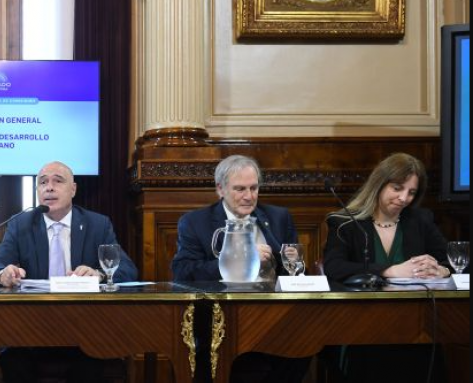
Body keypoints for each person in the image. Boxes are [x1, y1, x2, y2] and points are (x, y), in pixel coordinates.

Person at [0, 161, 138, 383]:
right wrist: (3, 274)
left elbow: (128, 269)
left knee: (90, 364)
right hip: (30, 328)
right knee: (11, 359)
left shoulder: (97, 224)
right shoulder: (21, 224)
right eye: (43, 182)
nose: (49, 188)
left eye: (58, 181)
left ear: (73, 189)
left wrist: (100, 274)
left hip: (83, 328)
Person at [171, 155, 308, 383]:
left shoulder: (278, 217)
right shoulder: (196, 222)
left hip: (275, 313)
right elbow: (183, 271)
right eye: (240, 189)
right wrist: (239, 260)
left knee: (307, 342)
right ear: (220, 189)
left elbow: (295, 270)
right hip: (221, 316)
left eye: (254, 188)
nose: (249, 196)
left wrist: (289, 262)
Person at [321, 152, 450, 382]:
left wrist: (442, 270)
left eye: (411, 192)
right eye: (397, 188)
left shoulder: (420, 220)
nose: (404, 198)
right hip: (360, 325)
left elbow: (449, 259)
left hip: (415, 325)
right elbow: (334, 267)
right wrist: (388, 271)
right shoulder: (345, 222)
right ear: (379, 184)